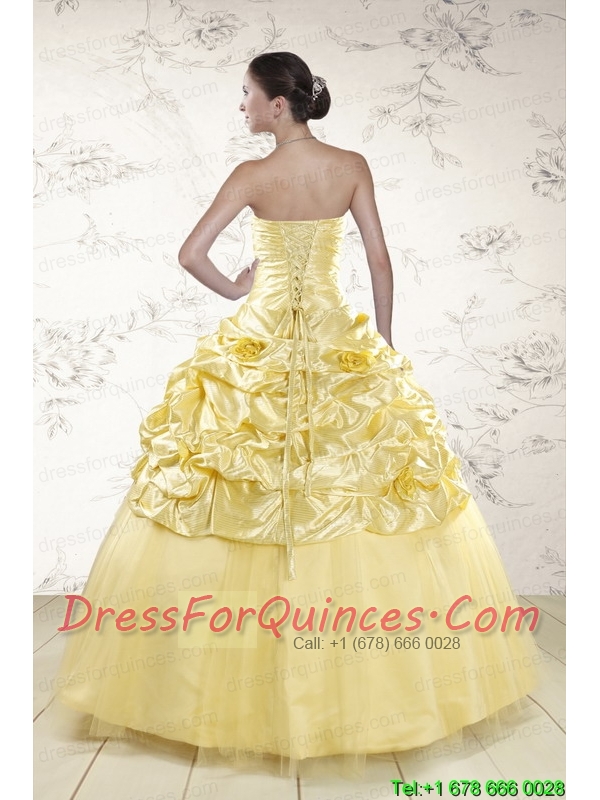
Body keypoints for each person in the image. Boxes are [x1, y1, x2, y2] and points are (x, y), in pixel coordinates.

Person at [50, 52, 540, 779]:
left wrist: (237, 288)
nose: (242, 106)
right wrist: (383, 341)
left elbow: (190, 254)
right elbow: (379, 259)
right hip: (338, 335)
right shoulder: (350, 165)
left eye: (247, 94)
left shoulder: (252, 176)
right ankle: (375, 687)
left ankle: (217, 685)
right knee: (351, 486)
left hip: (264, 334)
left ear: (278, 104)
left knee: (232, 483)